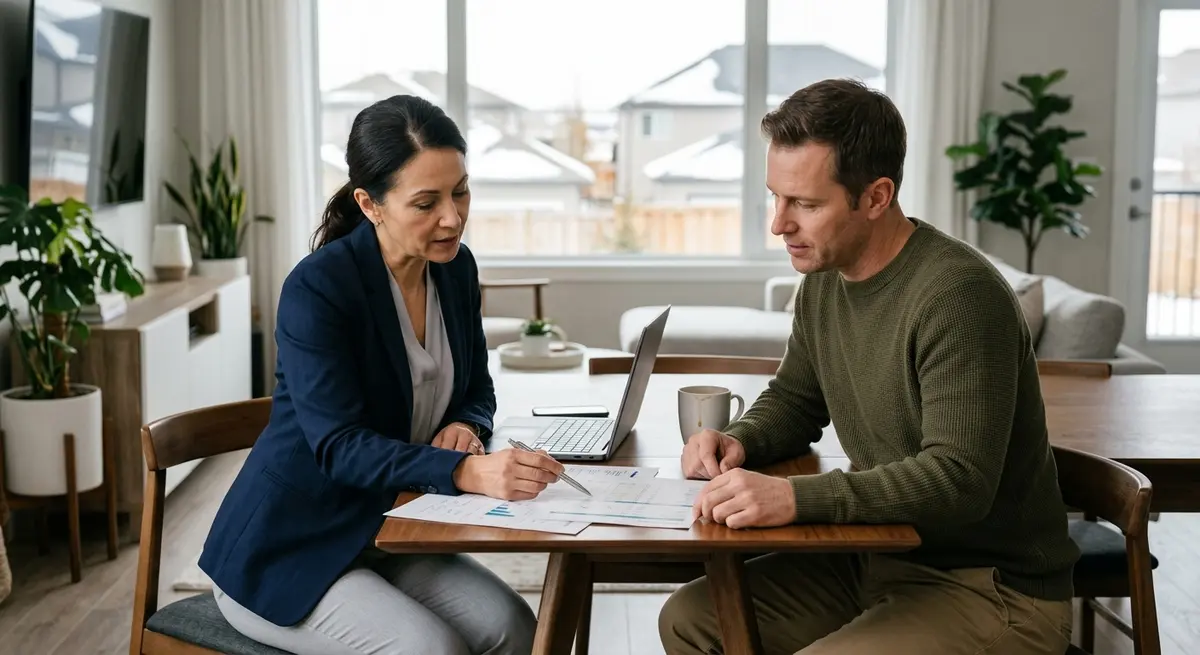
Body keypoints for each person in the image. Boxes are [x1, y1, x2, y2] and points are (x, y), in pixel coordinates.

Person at [659, 79, 1080, 654]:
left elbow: (960, 481)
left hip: (988, 588)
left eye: (806, 204)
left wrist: (796, 499)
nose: (779, 224)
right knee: (691, 617)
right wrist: (738, 440)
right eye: (775, 197)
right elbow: (796, 399)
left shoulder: (957, 294)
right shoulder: (824, 281)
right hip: (876, 559)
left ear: (877, 196)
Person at [198, 94, 564, 655]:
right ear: (370, 205)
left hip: (388, 529)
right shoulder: (318, 289)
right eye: (426, 203)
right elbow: (340, 446)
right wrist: (466, 470)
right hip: (289, 547)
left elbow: (476, 387)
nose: (453, 216)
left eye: (460, 190)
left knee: (515, 629)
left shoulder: (455, 268)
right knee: (429, 650)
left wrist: (467, 422)